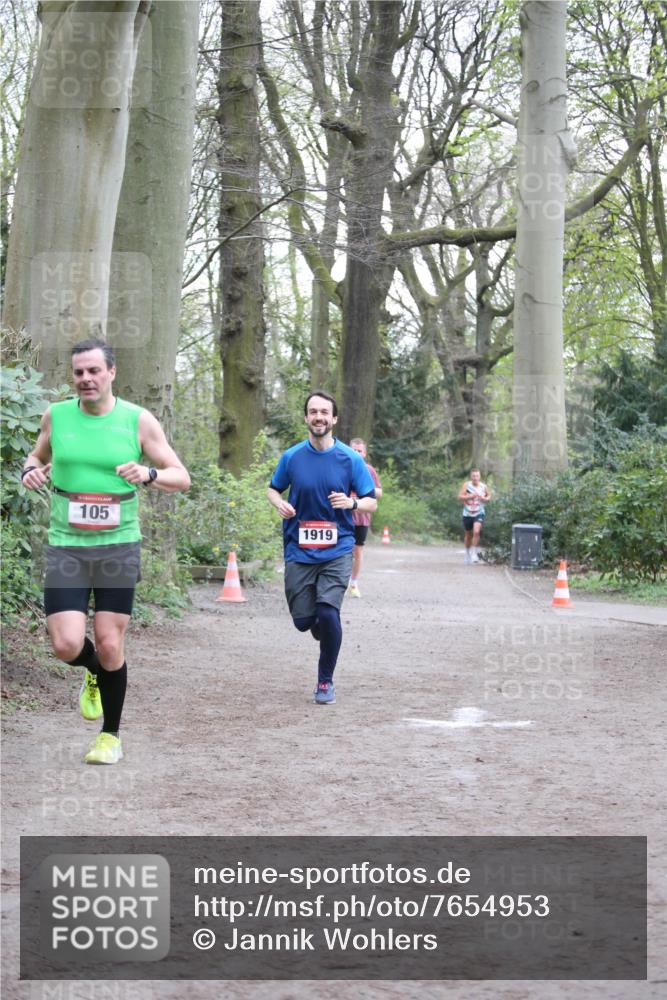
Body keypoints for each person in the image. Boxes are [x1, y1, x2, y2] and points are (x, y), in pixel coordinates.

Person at [21, 339, 190, 764]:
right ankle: (94, 673)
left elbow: (180, 476)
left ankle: (109, 736)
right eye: (79, 372)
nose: (86, 379)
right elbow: (35, 456)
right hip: (67, 546)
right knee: (65, 645)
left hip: (118, 546)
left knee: (111, 643)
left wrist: (148, 473)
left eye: (94, 371)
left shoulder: (137, 420)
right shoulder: (56, 416)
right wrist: (29, 472)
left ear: (112, 372)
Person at [267, 392, 377, 704]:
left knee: (329, 612)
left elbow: (371, 501)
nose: (319, 417)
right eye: (313, 412)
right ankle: (319, 625)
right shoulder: (292, 457)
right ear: (306, 417)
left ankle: (325, 680)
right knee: (304, 621)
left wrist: (352, 503)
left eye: (324, 412)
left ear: (334, 419)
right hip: (298, 548)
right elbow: (272, 489)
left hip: (337, 547)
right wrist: (280, 504)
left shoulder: (350, 459)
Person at [347, 437, 382, 597]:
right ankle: (338, 582)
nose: (356, 453)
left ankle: (354, 583)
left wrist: (363, 492)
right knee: (339, 551)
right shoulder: (341, 467)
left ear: (364, 453)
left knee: (357, 552)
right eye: (353, 450)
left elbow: (379, 492)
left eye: (359, 451)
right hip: (343, 517)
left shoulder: (369, 470)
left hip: (361, 518)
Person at [458, 468, 491, 564]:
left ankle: (474, 553)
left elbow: (489, 496)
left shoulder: (483, 486)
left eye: (477, 476)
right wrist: (470, 496)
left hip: (479, 512)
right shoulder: (466, 485)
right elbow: (459, 497)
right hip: (467, 513)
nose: (475, 478)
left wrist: (484, 498)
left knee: (476, 531)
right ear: (471, 477)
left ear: (479, 477)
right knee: (468, 535)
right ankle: (467, 553)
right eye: (473, 476)